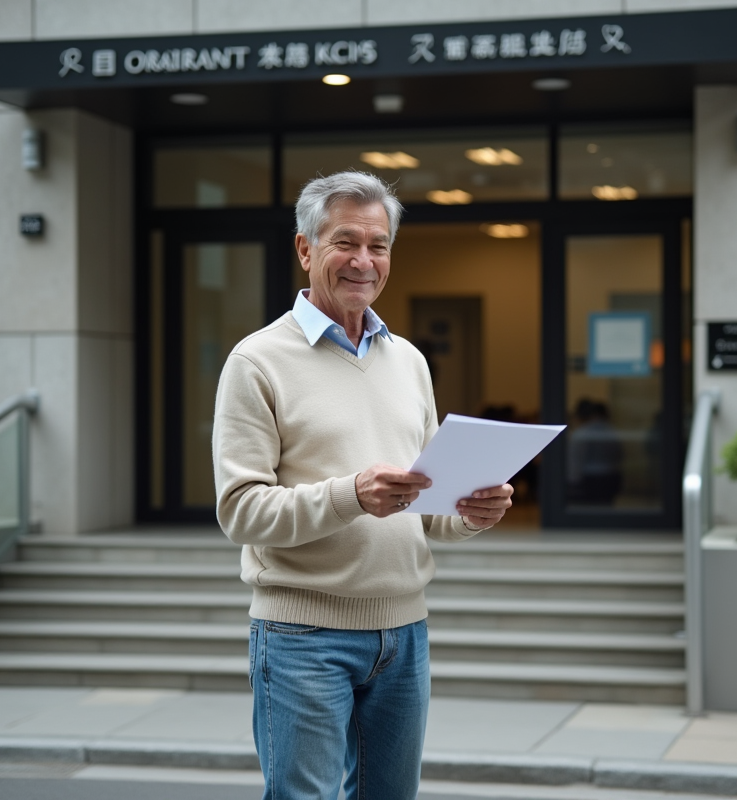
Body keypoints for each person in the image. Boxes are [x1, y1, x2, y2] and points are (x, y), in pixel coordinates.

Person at [211, 171, 514, 800]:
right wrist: (351, 494)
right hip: (302, 637)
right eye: (344, 242)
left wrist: (475, 510)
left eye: (378, 245)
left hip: (405, 633)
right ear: (304, 249)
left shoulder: (409, 360)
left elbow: (430, 507)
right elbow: (240, 512)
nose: (362, 261)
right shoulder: (256, 362)